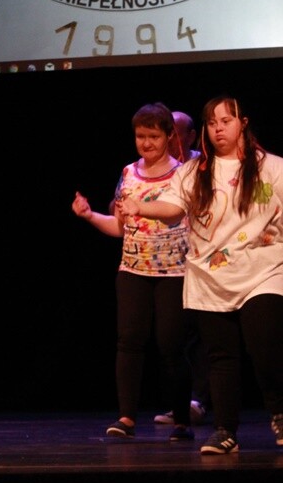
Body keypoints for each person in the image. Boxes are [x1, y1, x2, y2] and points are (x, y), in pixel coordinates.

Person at [119, 95, 283, 455]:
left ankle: (279, 410)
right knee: (221, 356)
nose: (218, 128)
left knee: (265, 346)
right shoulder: (194, 172)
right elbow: (173, 208)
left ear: (243, 124)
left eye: (226, 121)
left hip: (264, 271)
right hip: (211, 274)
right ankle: (225, 431)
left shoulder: (273, 167)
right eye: (211, 123)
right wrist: (140, 206)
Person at [72, 102, 195, 442]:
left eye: (153, 136)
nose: (146, 143)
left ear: (169, 136)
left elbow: (175, 212)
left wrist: (142, 207)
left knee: (171, 345)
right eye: (141, 136)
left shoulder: (184, 173)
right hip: (133, 270)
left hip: (173, 272)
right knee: (129, 342)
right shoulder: (128, 173)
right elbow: (120, 226)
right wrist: (89, 216)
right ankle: (126, 417)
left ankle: (181, 419)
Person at [153, 110, 211, 425]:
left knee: (201, 333)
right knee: (176, 336)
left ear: (190, 136)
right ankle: (180, 404)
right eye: (168, 131)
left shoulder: (201, 166)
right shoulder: (155, 168)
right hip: (168, 262)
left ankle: (198, 401)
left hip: (201, 257)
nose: (172, 138)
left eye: (177, 132)